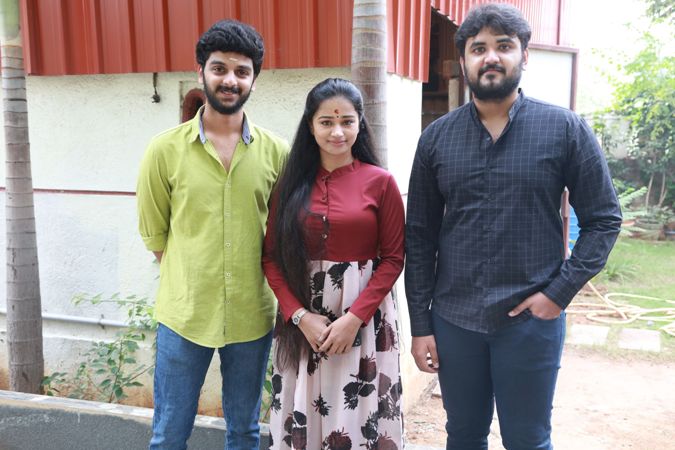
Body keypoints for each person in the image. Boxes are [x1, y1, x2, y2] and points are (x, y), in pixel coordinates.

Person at [405, 4, 622, 450]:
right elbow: (420, 236)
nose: (490, 57)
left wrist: (558, 294)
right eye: (478, 48)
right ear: (464, 60)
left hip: (530, 322)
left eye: (503, 46)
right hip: (455, 321)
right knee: (463, 436)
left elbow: (604, 219)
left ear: (524, 55)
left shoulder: (564, 129)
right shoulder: (436, 139)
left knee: (528, 440)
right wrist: (421, 325)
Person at [137, 19, 288, 450]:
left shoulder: (277, 152)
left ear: (254, 79)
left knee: (244, 431)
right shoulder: (164, 150)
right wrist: (193, 279)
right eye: (219, 68)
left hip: (251, 315)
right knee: (169, 434)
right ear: (201, 70)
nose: (230, 80)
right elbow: (155, 234)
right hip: (185, 316)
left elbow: (281, 233)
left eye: (242, 71)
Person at [262, 78, 405, 450]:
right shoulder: (289, 185)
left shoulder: (381, 183)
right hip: (302, 324)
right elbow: (271, 258)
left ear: (360, 124)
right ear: (311, 126)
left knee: (358, 420)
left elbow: (393, 258)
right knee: (302, 416)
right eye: (326, 122)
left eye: (347, 121)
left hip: (365, 320)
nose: (337, 132)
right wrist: (300, 317)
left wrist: (354, 319)